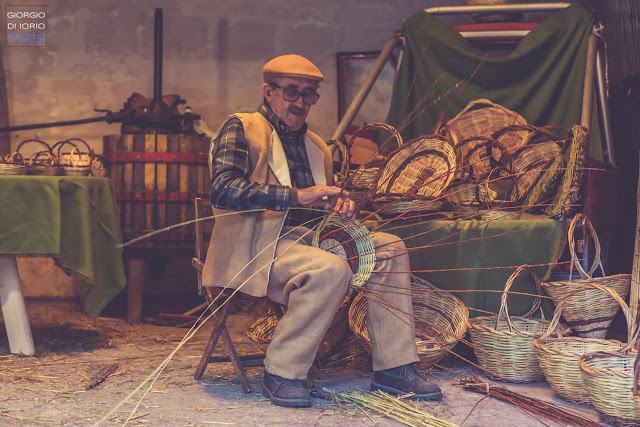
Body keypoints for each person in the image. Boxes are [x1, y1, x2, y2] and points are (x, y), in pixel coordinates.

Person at [203, 54, 442, 408]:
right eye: (291, 92)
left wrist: (338, 210)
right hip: (256, 247)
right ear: (269, 92)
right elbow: (223, 189)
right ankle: (282, 371)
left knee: (390, 247)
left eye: (309, 94)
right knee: (330, 269)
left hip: (311, 242)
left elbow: (317, 211)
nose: (300, 102)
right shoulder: (242, 127)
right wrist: (298, 196)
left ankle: (394, 368)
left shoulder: (317, 147)